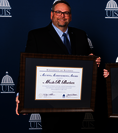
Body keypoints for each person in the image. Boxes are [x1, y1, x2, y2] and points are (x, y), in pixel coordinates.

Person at [16, 0, 100, 132]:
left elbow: (87, 65)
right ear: (51, 14)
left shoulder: (80, 35)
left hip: (76, 100)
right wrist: (21, 94)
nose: (62, 15)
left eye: (66, 13)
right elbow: (27, 66)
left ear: (70, 16)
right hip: (50, 102)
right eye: (58, 12)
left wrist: (93, 63)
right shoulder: (37, 35)